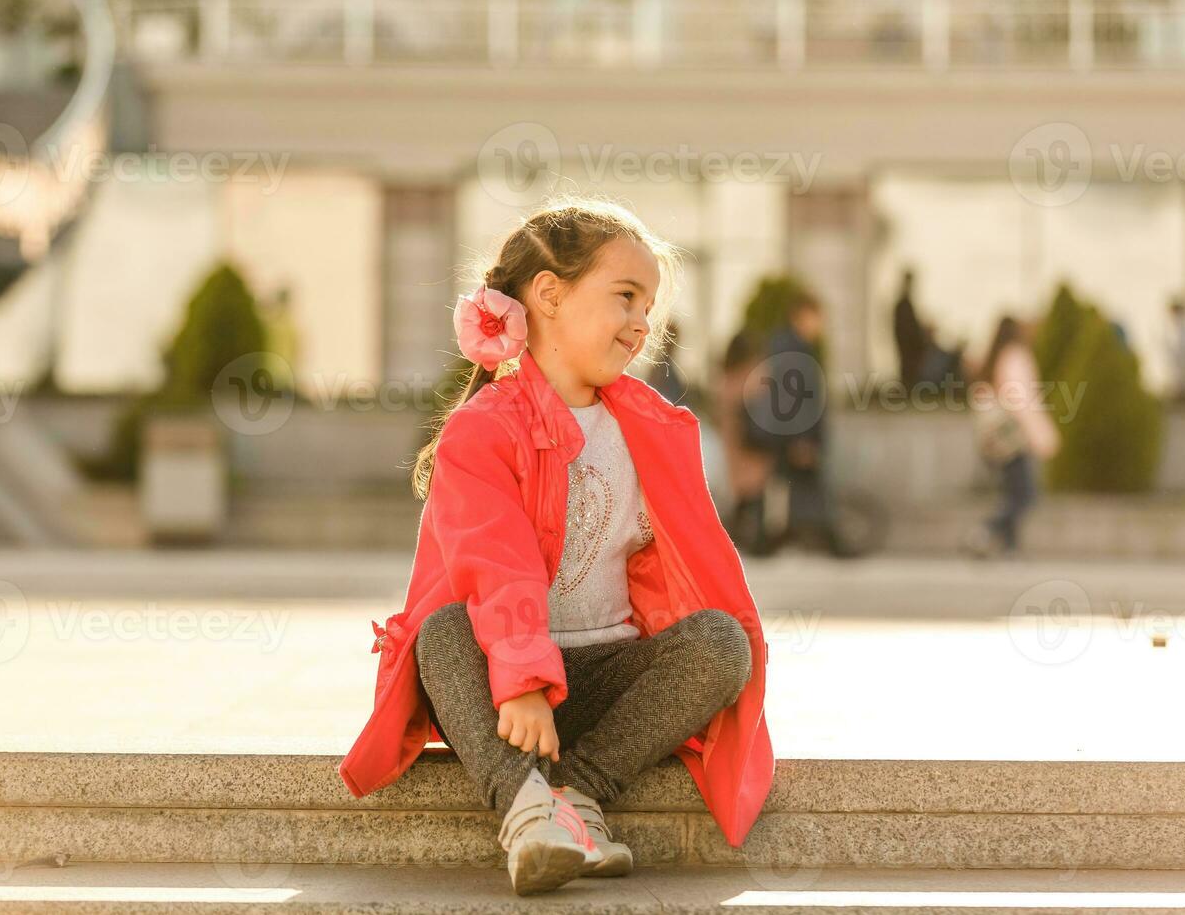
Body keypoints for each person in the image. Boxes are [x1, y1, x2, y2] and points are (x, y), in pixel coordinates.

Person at [337, 199, 772, 896]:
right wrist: (524, 681)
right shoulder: (486, 429)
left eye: (649, 306)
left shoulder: (653, 430)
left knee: (723, 643)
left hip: (604, 678)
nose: (642, 322)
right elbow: (496, 559)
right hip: (499, 686)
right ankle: (523, 807)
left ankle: (576, 796)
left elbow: (686, 570)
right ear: (548, 295)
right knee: (441, 634)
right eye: (625, 296)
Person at [963, 316, 1060, 558]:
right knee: (1025, 496)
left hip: (998, 440)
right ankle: (984, 531)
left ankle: (1010, 548)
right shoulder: (1015, 356)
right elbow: (1023, 402)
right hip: (1014, 439)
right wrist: (1043, 435)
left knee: (1014, 494)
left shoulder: (996, 356)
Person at [762, 289, 838, 555]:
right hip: (796, 436)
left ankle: (790, 538)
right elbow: (791, 400)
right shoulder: (792, 350)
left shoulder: (791, 347)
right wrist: (800, 438)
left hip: (794, 435)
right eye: (816, 317)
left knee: (795, 489)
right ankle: (820, 540)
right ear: (801, 316)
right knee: (802, 489)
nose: (819, 325)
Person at [717, 330, 775, 556]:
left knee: (743, 492)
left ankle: (733, 537)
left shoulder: (725, 375)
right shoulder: (752, 374)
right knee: (756, 490)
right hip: (753, 442)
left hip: (733, 441)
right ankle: (756, 540)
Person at [893, 267, 926, 393]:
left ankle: (908, 389)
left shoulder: (904, 302)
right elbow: (905, 326)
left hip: (908, 342)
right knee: (907, 367)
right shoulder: (903, 303)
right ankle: (907, 389)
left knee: (908, 367)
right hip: (907, 342)